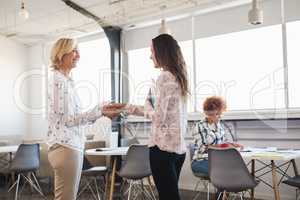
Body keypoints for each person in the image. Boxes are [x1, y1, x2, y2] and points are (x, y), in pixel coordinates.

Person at [47, 38, 124, 200]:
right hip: (66, 148)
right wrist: (100, 111)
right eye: (74, 50)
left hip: (68, 147)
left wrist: (99, 110)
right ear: (61, 54)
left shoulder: (65, 81)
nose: (78, 55)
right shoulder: (59, 81)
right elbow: (70, 120)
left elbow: (72, 118)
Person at [127, 34, 189, 200]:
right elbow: (165, 112)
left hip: (162, 148)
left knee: (168, 196)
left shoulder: (164, 77)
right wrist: (144, 105)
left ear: (161, 52)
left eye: (152, 51)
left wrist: (134, 108)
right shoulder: (180, 77)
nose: (150, 56)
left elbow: (159, 117)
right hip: (178, 149)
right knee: (171, 194)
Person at [191, 96, 243, 176]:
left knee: (238, 168)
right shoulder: (199, 126)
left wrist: (232, 144)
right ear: (209, 112)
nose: (219, 117)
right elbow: (204, 148)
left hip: (218, 160)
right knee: (228, 171)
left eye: (220, 114)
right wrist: (223, 146)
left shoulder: (219, 126)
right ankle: (224, 187)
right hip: (201, 161)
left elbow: (223, 143)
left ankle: (228, 187)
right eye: (218, 114)